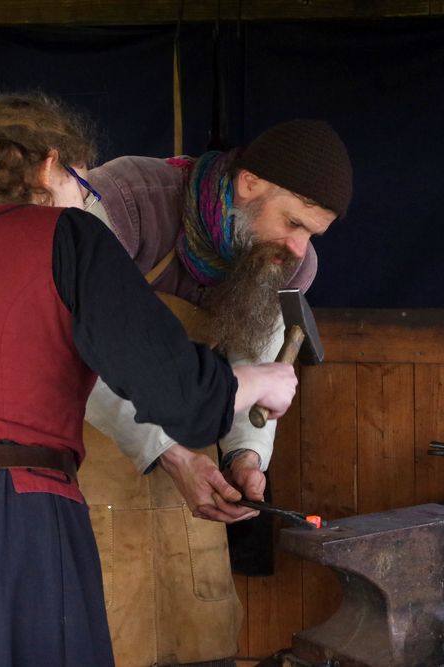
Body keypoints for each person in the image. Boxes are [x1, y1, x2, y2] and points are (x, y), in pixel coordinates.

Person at [0, 93, 298, 667]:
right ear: (48, 167)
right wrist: (260, 380)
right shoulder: (68, 236)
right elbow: (181, 397)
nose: (83, 203)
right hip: (22, 536)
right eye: (83, 188)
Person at [81, 120, 353, 665]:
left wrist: (247, 455)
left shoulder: (288, 260)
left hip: (194, 492)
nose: (299, 246)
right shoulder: (128, 204)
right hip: (94, 464)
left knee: (200, 640)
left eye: (313, 235)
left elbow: (254, 365)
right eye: (293, 222)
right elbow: (78, 353)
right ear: (248, 183)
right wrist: (168, 452)